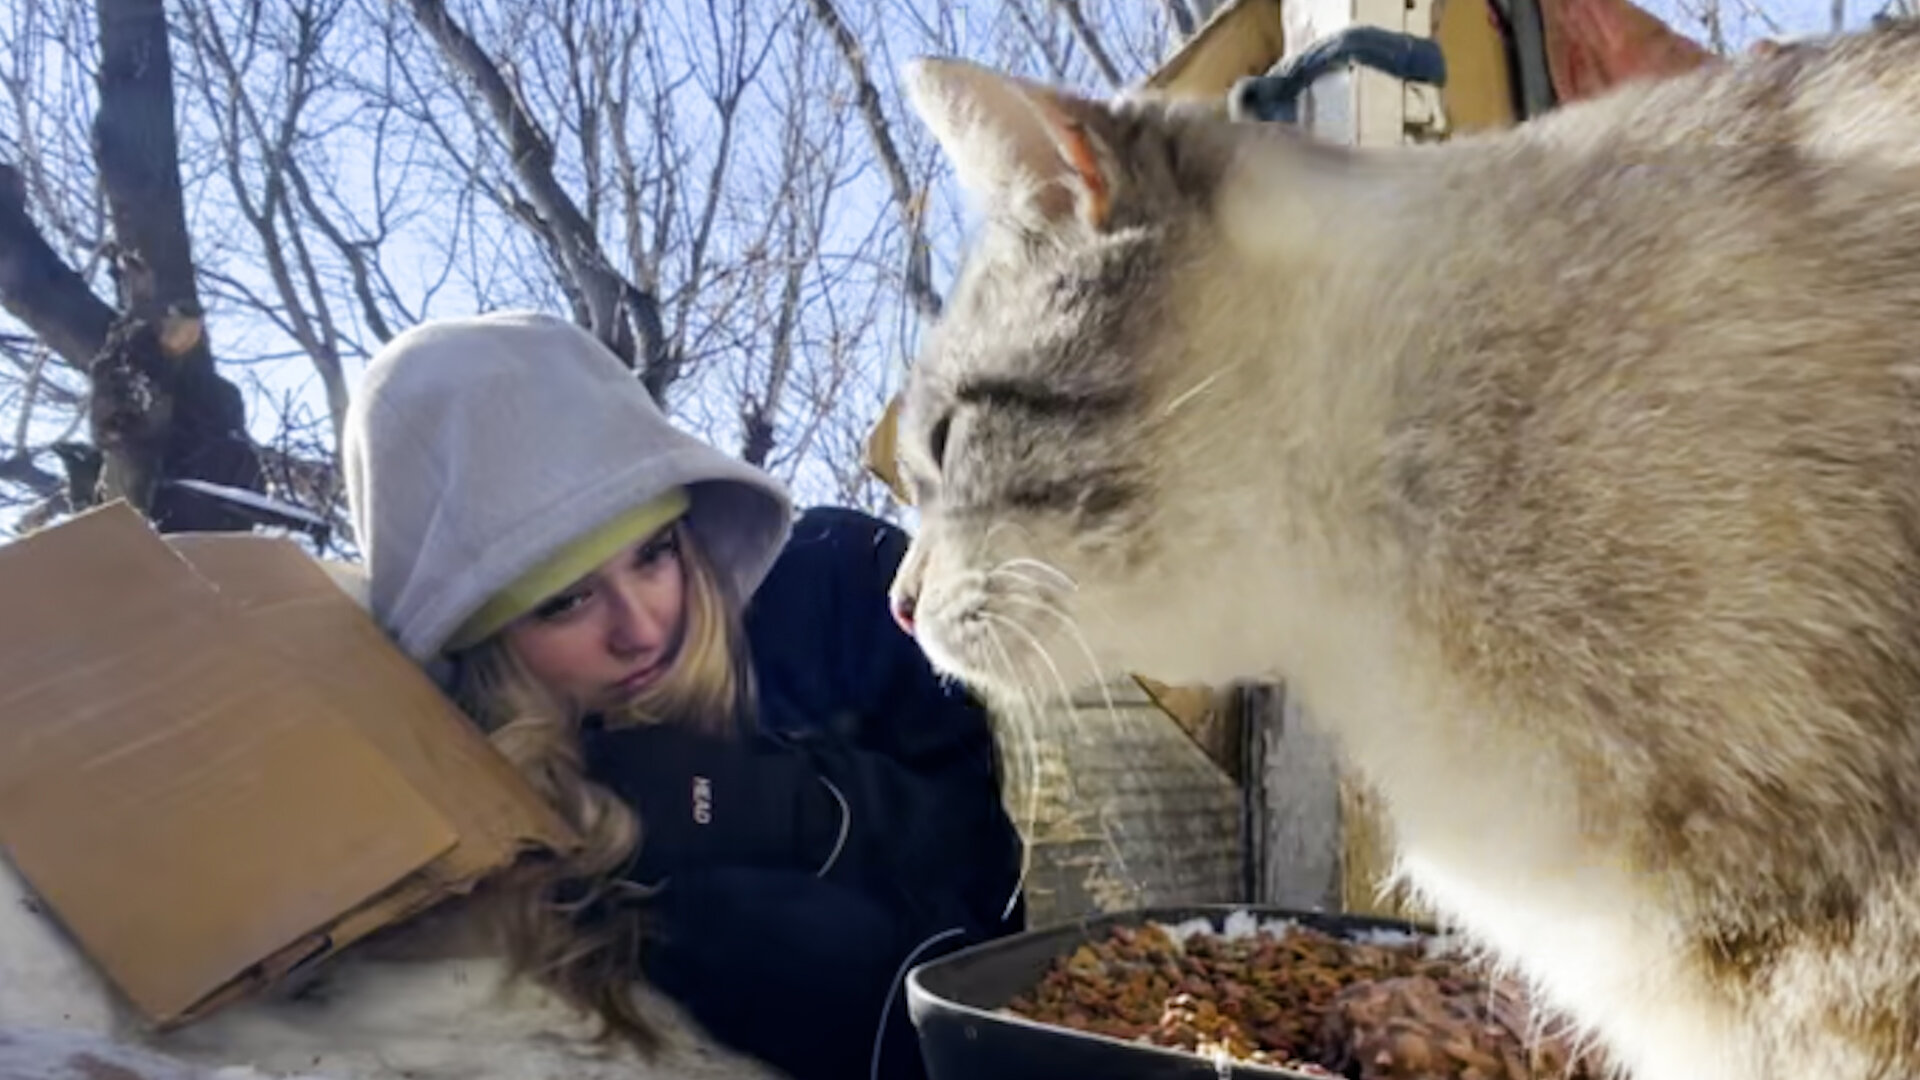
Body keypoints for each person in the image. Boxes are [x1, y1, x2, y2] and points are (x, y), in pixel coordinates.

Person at [340, 311, 1026, 1080]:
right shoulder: (466, 795)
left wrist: (796, 804)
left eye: (654, 554)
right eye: (563, 602)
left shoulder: (836, 590)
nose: (640, 627)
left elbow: (994, 884)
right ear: (483, 642)